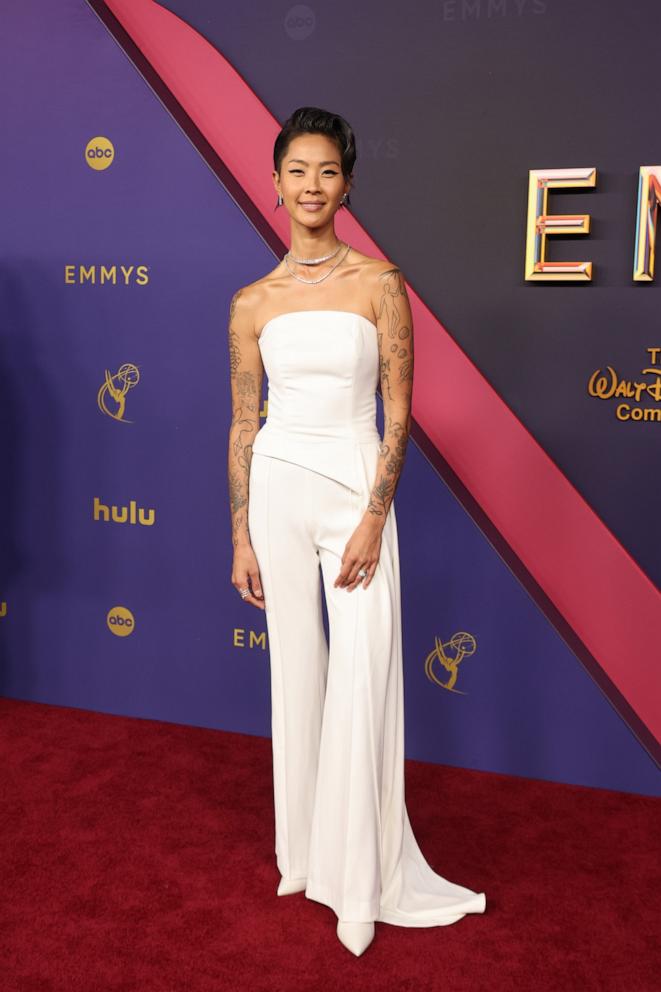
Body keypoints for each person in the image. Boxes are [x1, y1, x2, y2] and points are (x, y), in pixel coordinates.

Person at [227, 107, 486, 957]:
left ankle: (363, 878)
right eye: (296, 170)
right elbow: (241, 425)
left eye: (327, 171)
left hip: (354, 491)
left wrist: (374, 515)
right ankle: (304, 855)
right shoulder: (251, 302)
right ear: (275, 182)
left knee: (365, 677)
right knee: (295, 675)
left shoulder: (380, 282)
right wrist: (241, 535)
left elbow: (399, 412)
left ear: (347, 183)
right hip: (275, 489)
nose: (310, 186)